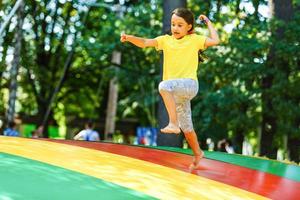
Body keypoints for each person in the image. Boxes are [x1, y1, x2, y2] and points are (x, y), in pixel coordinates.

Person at [120, 8, 220, 169]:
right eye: (173, 24)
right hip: (176, 93)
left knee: (163, 86)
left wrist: (208, 23)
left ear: (189, 27)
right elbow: (145, 43)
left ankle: (173, 123)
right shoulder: (165, 40)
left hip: (189, 85)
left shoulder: (194, 39)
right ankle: (198, 153)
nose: (175, 28)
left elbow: (215, 41)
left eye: (180, 25)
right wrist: (130, 38)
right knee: (187, 129)